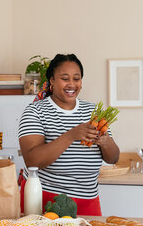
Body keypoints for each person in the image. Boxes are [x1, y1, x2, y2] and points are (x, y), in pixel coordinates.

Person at [18, 54, 120, 216]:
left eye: (76, 78)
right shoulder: (35, 111)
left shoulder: (92, 112)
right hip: (46, 200)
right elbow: (32, 161)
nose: (71, 84)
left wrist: (105, 141)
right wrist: (71, 135)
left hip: (89, 201)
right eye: (65, 78)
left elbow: (113, 158)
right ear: (51, 80)